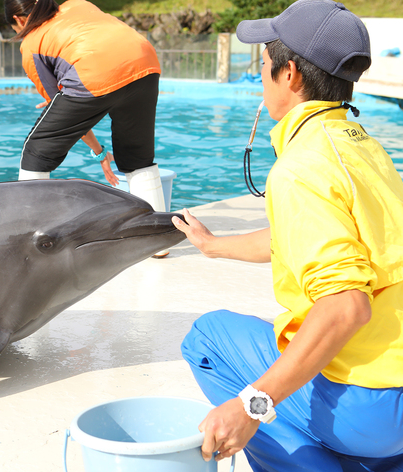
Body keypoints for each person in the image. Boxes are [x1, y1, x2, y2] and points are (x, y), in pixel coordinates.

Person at [172, 0, 403, 470]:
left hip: (374, 406)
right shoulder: (365, 146)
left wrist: (253, 405)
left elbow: (346, 304)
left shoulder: (301, 168)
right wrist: (214, 247)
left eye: (262, 66)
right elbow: (299, 239)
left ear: (290, 74)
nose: (261, 78)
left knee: (208, 338)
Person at [5, 0, 168, 220]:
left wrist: (99, 151)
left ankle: (27, 229)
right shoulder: (78, 4)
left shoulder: (31, 45)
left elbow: (74, 121)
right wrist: (62, 102)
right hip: (145, 64)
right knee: (137, 158)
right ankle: (158, 234)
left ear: (18, 19)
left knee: (36, 150)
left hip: (95, 74)